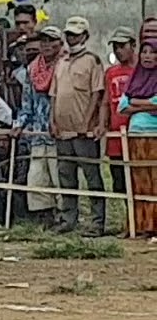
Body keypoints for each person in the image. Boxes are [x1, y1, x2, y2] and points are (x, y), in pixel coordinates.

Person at [50, 16, 106, 236]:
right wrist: (52, 120)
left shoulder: (93, 60)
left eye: (76, 34)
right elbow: (54, 93)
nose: (72, 38)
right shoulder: (61, 62)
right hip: (62, 130)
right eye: (69, 34)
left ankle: (97, 222)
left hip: (84, 131)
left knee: (92, 176)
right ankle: (68, 218)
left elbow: (96, 93)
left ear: (85, 36)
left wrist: (87, 121)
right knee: (66, 176)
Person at [15, 26, 62, 225]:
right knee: (37, 177)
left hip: (59, 131)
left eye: (51, 41)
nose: (47, 45)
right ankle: (44, 217)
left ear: (60, 43)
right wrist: (19, 125)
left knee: (59, 176)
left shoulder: (65, 66)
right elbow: (27, 103)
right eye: (43, 41)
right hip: (37, 132)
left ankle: (65, 216)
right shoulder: (31, 70)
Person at [118, 36, 157, 237]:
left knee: (155, 181)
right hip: (135, 135)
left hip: (154, 135)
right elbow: (122, 106)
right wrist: (147, 103)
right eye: (144, 52)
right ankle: (140, 225)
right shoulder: (136, 77)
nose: (148, 56)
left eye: (152, 52)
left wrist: (137, 103)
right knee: (137, 181)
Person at [104, 27, 137, 215]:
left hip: (136, 133)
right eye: (115, 46)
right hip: (116, 134)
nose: (118, 50)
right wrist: (102, 124)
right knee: (120, 182)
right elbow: (105, 102)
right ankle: (128, 218)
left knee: (139, 178)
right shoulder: (111, 73)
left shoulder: (143, 71)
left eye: (122, 46)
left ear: (133, 46)